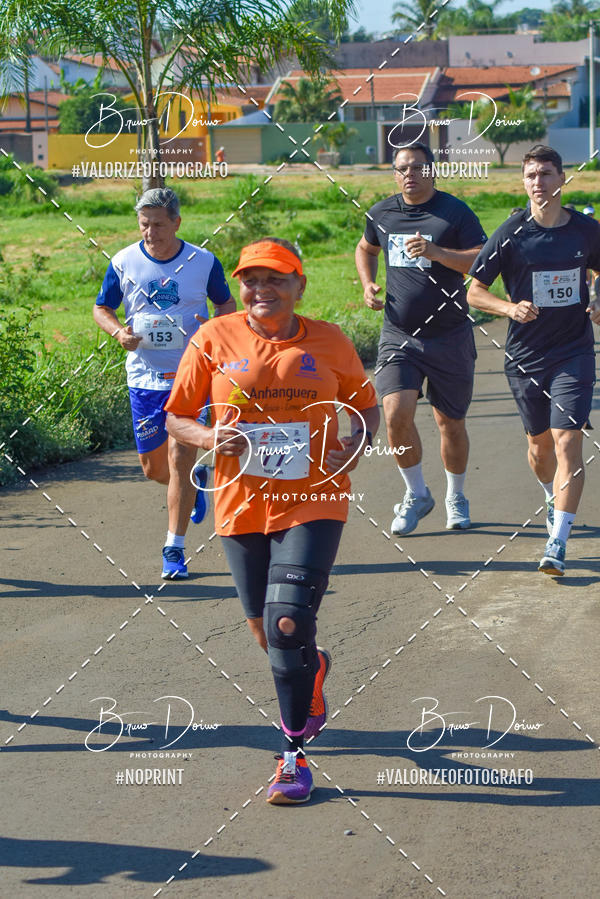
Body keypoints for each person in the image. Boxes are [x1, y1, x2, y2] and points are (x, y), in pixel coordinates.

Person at [165, 238, 379, 804]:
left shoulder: (330, 340)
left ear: (299, 285)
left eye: (276, 279)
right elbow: (178, 418)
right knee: (267, 631)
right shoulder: (213, 338)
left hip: (316, 497)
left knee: (286, 623)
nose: (262, 290)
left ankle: (292, 757)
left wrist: (356, 444)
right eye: (251, 280)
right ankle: (311, 673)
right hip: (239, 505)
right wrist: (210, 437)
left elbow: (365, 404)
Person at [468, 145, 600, 576]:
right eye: (531, 176)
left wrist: (597, 297)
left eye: (545, 173)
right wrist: (509, 308)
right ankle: (550, 494)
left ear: (562, 178)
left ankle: (557, 542)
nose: (538, 182)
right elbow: (474, 291)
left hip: (574, 351)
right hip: (526, 355)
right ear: (523, 182)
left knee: (567, 442)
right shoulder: (510, 233)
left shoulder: (586, 230)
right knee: (540, 447)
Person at [93, 188, 235, 579]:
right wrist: (118, 333)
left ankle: (174, 549)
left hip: (191, 376)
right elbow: (101, 307)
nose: (150, 232)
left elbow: (225, 304)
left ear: (176, 222)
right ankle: (196, 482)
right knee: (155, 469)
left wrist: (215, 327)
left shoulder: (202, 262)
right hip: (144, 378)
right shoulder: (124, 261)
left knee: (179, 458)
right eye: (143, 225)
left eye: (157, 224)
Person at [355, 141, 487, 535]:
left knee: (450, 424)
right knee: (394, 414)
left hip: (450, 335)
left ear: (432, 171)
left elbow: (481, 258)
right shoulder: (381, 213)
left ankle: (456, 494)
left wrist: (437, 252)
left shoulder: (454, 212)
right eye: (401, 169)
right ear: (394, 174)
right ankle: (416, 493)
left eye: (416, 168)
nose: (409, 175)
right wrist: (367, 284)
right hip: (399, 334)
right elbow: (365, 248)